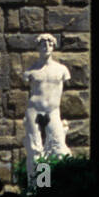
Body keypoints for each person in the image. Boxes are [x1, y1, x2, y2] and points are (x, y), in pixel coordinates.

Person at [23, 33, 71, 169]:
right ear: (38, 47)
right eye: (43, 44)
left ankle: (52, 185)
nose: (47, 47)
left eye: (50, 44)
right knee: (35, 149)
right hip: (34, 110)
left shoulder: (62, 70)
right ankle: (39, 185)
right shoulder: (30, 71)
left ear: (54, 47)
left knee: (58, 147)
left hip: (53, 111)